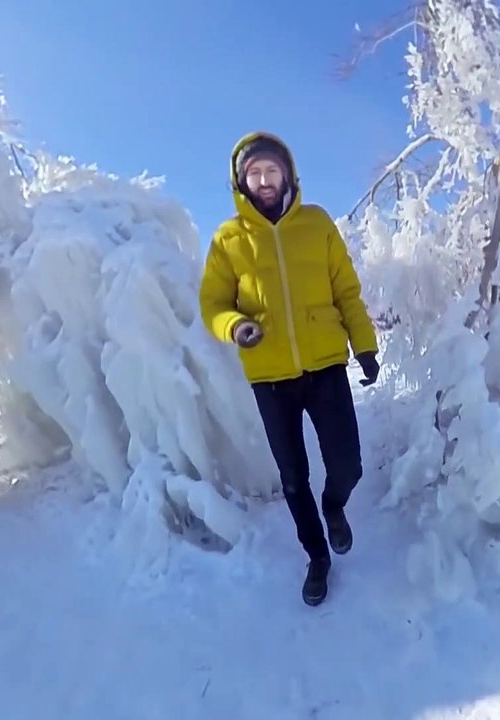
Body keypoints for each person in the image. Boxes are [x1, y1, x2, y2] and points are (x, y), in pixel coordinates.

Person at [198, 131, 381, 606]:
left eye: (271, 170)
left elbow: (347, 292)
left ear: (287, 175)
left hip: (325, 367)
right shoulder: (229, 239)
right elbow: (213, 304)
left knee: (348, 464)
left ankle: (335, 505)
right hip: (271, 378)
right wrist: (235, 326)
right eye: (254, 173)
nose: (263, 179)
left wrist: (365, 346)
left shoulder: (317, 224)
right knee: (293, 476)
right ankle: (317, 557)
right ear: (242, 182)